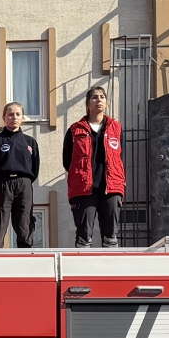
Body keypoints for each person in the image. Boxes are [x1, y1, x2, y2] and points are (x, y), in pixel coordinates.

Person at [63, 86, 124, 247]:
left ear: (106, 102)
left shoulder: (116, 128)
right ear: (87, 103)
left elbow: (118, 157)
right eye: (94, 97)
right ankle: (82, 271)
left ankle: (110, 271)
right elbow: (67, 160)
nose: (99, 100)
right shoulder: (74, 130)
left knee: (111, 237)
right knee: (83, 238)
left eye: (102, 97)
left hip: (111, 188)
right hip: (84, 189)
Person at [0, 102, 39, 249]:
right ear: (4, 117)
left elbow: (35, 167)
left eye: (18, 114)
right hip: (1, 185)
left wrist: (24, 181)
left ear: (22, 118)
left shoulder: (30, 142)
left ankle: (25, 257)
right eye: (10, 114)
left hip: (23, 184)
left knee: (24, 222)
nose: (14, 117)